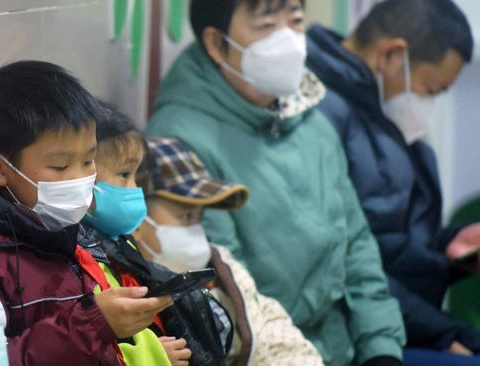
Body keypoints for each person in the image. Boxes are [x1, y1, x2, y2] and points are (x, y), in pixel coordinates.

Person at [147, 1, 406, 365]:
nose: (287, 38)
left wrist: (381, 350)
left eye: (296, 20)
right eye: (266, 23)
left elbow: (358, 248)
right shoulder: (179, 140)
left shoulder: (309, 118)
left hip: (344, 348)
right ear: (216, 44)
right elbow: (237, 294)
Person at [0, 61, 172, 366]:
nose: (81, 178)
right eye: (60, 166)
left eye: (89, 161)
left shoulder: (56, 229)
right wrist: (94, 325)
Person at [306, 1, 480, 364]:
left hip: (405, 321)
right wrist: (444, 332)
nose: (428, 103)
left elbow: (392, 239)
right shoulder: (319, 114)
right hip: (361, 333)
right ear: (392, 54)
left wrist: (452, 250)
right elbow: (352, 260)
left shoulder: (382, 112)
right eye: (431, 88)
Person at [135, 136, 324, 366]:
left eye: (199, 217)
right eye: (185, 216)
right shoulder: (121, 288)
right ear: (136, 213)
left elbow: (279, 342)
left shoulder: (223, 271)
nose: (196, 230)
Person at [79, 102, 190, 366]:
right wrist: (149, 356)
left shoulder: (117, 244)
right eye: (124, 174)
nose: (134, 189)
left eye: (136, 176)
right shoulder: (74, 255)